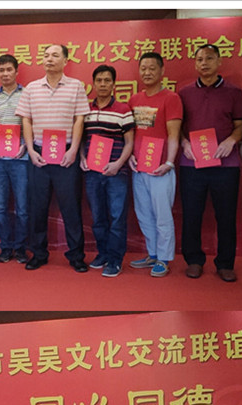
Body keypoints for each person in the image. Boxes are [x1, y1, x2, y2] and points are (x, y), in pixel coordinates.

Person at [15, 43, 90, 273]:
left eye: (55, 55)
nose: (49, 59)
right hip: (39, 153)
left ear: (65, 61)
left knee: (71, 207)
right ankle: (38, 253)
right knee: (37, 207)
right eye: (46, 55)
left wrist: (74, 149)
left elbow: (79, 119)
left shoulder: (76, 86)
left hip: (66, 154)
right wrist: (30, 150)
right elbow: (26, 120)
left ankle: (76, 256)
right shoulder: (31, 88)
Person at [178, 44, 242, 283]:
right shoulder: (184, 93)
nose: (204, 63)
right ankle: (194, 260)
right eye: (199, 59)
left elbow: (240, 125)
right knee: (191, 214)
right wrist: (184, 143)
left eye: (209, 58)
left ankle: (225, 263)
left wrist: (232, 140)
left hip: (226, 164)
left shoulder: (234, 92)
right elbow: (177, 126)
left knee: (226, 216)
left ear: (219, 61)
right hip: (191, 163)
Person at [128, 52, 182, 278]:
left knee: (162, 216)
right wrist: (130, 155)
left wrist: (169, 162)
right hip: (139, 167)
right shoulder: (134, 100)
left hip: (161, 169)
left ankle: (164, 258)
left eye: (152, 68)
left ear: (162, 71)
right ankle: (152, 253)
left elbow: (174, 134)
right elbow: (131, 134)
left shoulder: (171, 98)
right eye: (143, 68)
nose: (147, 72)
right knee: (144, 214)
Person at [79, 64, 135, 278]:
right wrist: (82, 158)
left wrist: (118, 164)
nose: (103, 84)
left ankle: (115, 259)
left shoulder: (123, 109)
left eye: (107, 80)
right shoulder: (85, 110)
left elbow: (129, 142)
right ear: (93, 84)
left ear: (114, 84)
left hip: (116, 174)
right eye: (99, 80)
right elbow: (81, 139)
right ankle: (102, 253)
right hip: (92, 173)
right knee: (97, 217)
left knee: (117, 217)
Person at [0, 54, 30, 264]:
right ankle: (5, 247)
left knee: (23, 208)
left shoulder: (27, 94)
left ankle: (21, 248)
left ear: (16, 71)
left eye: (9, 69)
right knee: (1, 207)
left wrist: (26, 145)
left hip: (21, 158)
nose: (5, 74)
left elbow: (32, 123)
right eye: (1, 70)